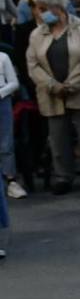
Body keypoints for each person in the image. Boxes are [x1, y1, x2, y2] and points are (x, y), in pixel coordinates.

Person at [26, 0, 80, 195]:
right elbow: (33, 65)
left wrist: (71, 85)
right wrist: (53, 86)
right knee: (58, 138)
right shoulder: (37, 34)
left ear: (57, 7)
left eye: (43, 9)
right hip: (52, 94)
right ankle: (63, 176)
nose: (39, 13)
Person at [0, 47, 20, 199]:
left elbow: (14, 83)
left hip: (2, 100)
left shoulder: (3, 57)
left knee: (6, 143)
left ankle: (11, 180)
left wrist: (1, 93)